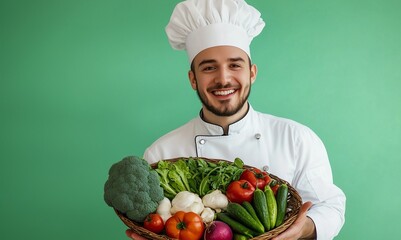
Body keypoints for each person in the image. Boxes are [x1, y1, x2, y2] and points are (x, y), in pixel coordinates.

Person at [127, 0, 346, 239]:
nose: (223, 79)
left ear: (252, 73)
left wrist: (300, 230)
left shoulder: (296, 138)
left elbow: (331, 207)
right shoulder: (161, 153)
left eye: (235, 65)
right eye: (209, 68)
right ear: (193, 79)